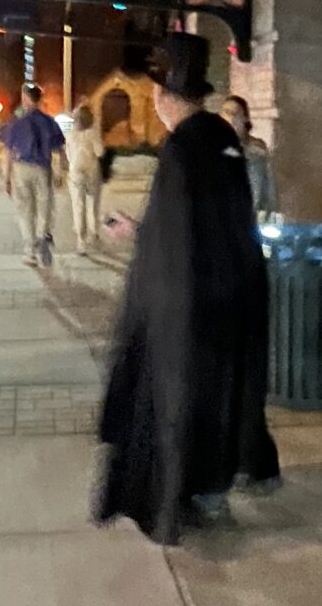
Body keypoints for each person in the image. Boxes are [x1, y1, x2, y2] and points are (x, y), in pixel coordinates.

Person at [95, 34, 279, 545]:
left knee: (179, 399)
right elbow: (214, 223)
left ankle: (181, 493)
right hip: (233, 297)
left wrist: (148, 292)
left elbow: (176, 241)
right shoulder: (222, 139)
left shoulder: (180, 148)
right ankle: (213, 489)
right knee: (221, 395)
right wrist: (145, 230)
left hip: (189, 307)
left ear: (161, 97)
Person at [0, 82, 65, 268]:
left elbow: (9, 152)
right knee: (45, 207)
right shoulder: (49, 121)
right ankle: (42, 236)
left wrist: (6, 178)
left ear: (27, 98)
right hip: (43, 169)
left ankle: (29, 252)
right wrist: (60, 172)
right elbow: (59, 149)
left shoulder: (16, 123)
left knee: (25, 210)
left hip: (22, 169)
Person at [221, 94, 277, 221]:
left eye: (234, 113)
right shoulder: (215, 149)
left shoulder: (258, 151)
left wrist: (272, 211)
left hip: (253, 217)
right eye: (225, 113)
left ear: (245, 118)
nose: (230, 118)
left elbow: (268, 185)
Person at [66, 99, 107, 250]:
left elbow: (68, 154)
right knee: (93, 204)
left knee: (78, 205)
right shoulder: (92, 134)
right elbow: (100, 152)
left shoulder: (70, 134)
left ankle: (80, 240)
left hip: (76, 172)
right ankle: (93, 233)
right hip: (92, 171)